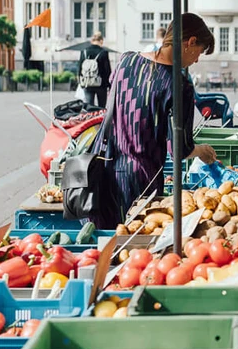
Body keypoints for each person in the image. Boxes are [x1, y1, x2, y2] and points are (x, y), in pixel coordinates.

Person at [91, 13, 218, 230]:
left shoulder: (126, 60)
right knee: (135, 248)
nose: (197, 60)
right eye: (199, 52)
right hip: (142, 181)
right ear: (191, 42)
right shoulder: (179, 85)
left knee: (108, 246)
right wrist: (202, 150)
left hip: (104, 171)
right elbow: (179, 149)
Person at [77, 31, 112, 108]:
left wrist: (80, 82)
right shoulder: (103, 52)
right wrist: (109, 85)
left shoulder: (84, 51)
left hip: (87, 83)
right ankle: (101, 120)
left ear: (91, 41)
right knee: (102, 108)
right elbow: (107, 70)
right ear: (101, 40)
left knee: (89, 107)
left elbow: (79, 68)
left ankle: (92, 119)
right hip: (101, 84)